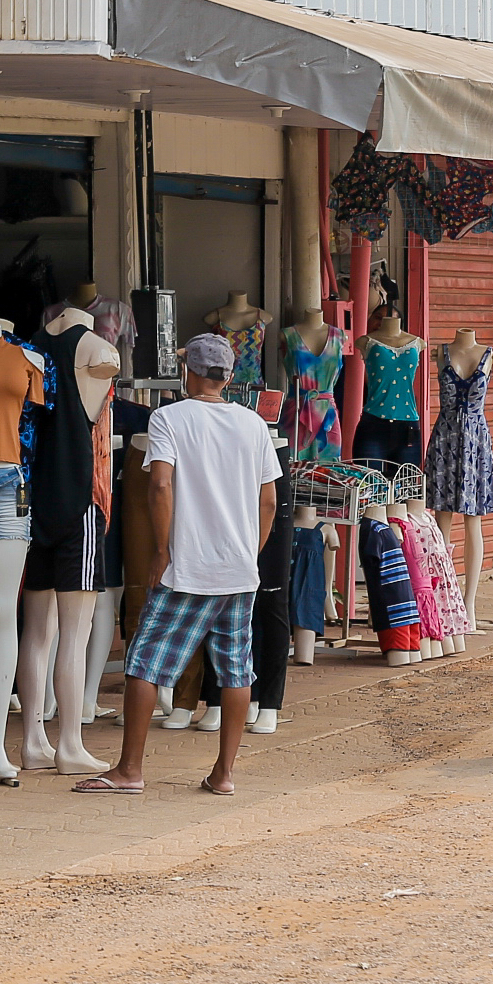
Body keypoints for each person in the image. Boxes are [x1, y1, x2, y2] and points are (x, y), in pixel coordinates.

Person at [74, 334, 281, 796]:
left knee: (145, 662)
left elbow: (160, 486)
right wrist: (250, 550)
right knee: (235, 670)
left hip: (188, 565)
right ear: (227, 376)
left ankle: (129, 770)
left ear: (189, 372)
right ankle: (224, 774)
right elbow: (268, 499)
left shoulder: (169, 417)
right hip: (239, 570)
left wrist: (162, 551)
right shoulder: (252, 424)